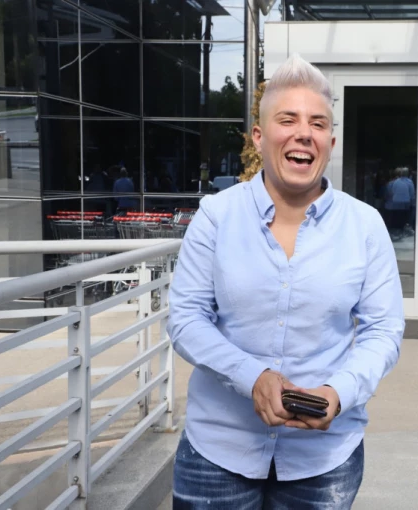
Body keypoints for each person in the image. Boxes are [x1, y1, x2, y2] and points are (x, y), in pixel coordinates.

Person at [167, 55, 405, 509]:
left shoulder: (365, 225)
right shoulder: (216, 216)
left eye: (318, 123)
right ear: (259, 136)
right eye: (288, 119)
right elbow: (185, 319)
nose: (304, 133)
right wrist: (251, 376)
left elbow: (384, 329)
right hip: (218, 450)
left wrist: (339, 393)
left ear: (330, 142)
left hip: (325, 458)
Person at [383, 166, 416, 240]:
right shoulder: (408, 182)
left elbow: (386, 195)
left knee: (393, 223)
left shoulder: (391, 184)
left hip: (390, 207)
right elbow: (412, 196)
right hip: (402, 207)